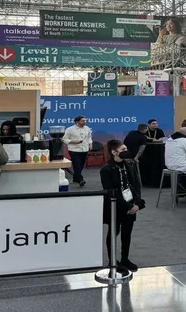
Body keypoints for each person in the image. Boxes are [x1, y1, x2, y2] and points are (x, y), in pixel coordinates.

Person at [100, 139, 144, 272]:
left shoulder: (128, 165)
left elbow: (134, 184)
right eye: (123, 150)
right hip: (115, 205)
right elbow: (110, 191)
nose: (126, 152)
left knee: (127, 232)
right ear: (114, 152)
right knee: (114, 232)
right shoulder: (106, 169)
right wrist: (127, 206)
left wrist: (136, 203)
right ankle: (112, 260)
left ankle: (125, 258)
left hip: (130, 203)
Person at [63, 115, 92, 187]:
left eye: (85, 120)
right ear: (77, 122)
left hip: (84, 149)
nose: (84, 122)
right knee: (77, 165)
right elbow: (64, 139)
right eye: (82, 121)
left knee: (81, 165)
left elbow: (89, 137)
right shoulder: (70, 129)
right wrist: (73, 141)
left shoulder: (87, 128)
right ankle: (81, 180)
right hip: (74, 150)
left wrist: (90, 144)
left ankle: (75, 178)